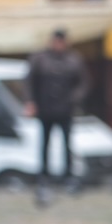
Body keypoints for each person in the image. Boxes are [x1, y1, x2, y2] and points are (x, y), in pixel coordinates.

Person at [25, 28, 90, 184]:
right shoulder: (40, 59)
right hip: (45, 108)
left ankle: (68, 174)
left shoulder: (73, 60)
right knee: (45, 142)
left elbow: (84, 82)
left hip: (65, 109)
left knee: (67, 143)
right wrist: (31, 102)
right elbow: (29, 82)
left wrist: (73, 98)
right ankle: (44, 174)